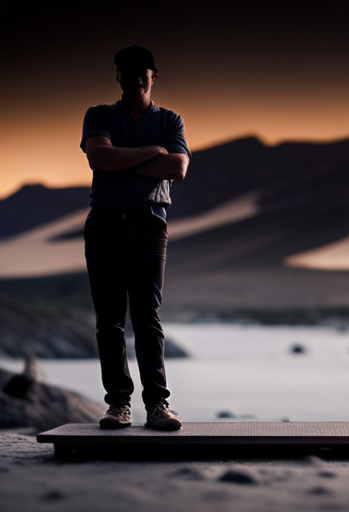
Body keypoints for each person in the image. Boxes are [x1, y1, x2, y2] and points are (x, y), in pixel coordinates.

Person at [80, 45, 189, 430]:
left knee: (147, 317)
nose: (133, 77)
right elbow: (99, 159)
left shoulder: (171, 120)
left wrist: (123, 157)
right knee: (109, 320)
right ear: (118, 78)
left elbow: (176, 167)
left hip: (148, 225)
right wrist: (150, 153)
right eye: (126, 72)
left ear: (153, 76)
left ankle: (158, 406)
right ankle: (118, 406)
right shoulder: (99, 115)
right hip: (105, 223)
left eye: (141, 71)